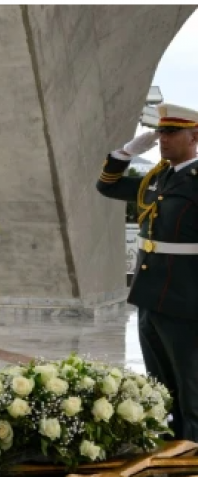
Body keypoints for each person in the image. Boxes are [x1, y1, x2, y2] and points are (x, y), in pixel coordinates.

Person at [96, 103, 198, 442]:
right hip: (150, 295)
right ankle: (169, 445)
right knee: (160, 384)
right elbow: (107, 186)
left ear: (194, 136)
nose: (162, 139)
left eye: (171, 133)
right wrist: (125, 153)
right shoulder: (158, 178)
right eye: (160, 132)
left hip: (186, 299)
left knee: (190, 387)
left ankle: (190, 456)